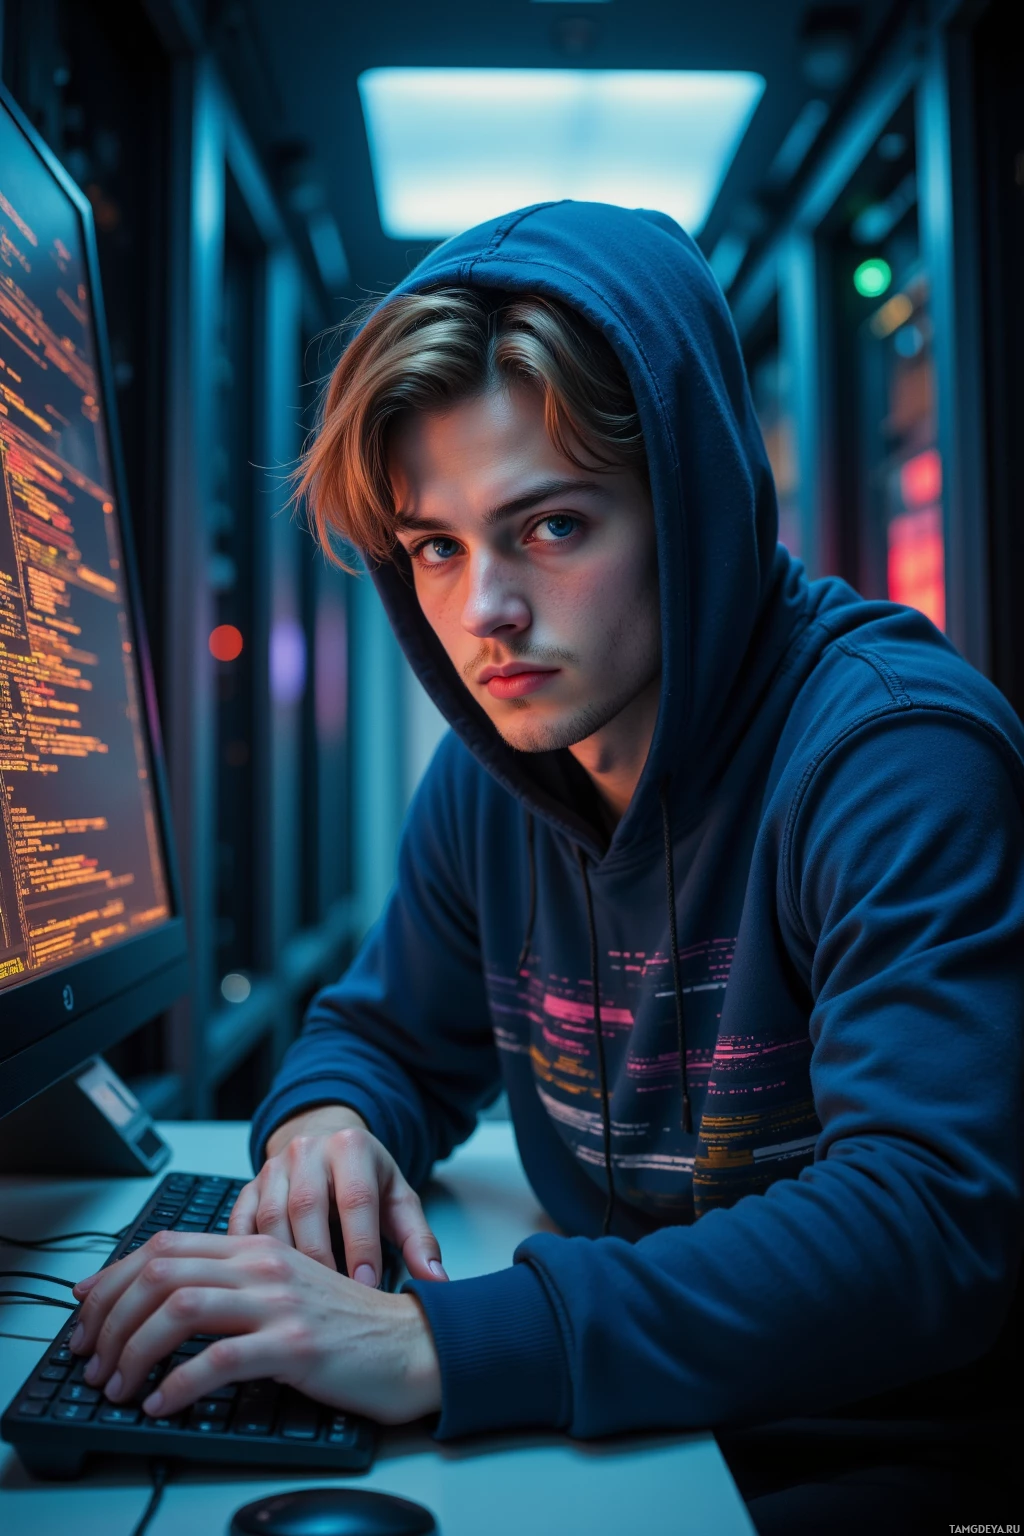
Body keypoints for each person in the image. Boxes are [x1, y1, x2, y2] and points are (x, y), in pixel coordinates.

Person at [70, 202, 1023, 1531]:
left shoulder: (892, 754)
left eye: (553, 528)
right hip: (647, 1428)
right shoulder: (494, 777)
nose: (483, 614)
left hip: (879, 1455)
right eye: (437, 547)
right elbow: (385, 1035)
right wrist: (327, 1129)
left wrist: (438, 1348)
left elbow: (928, 1223)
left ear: (689, 505)